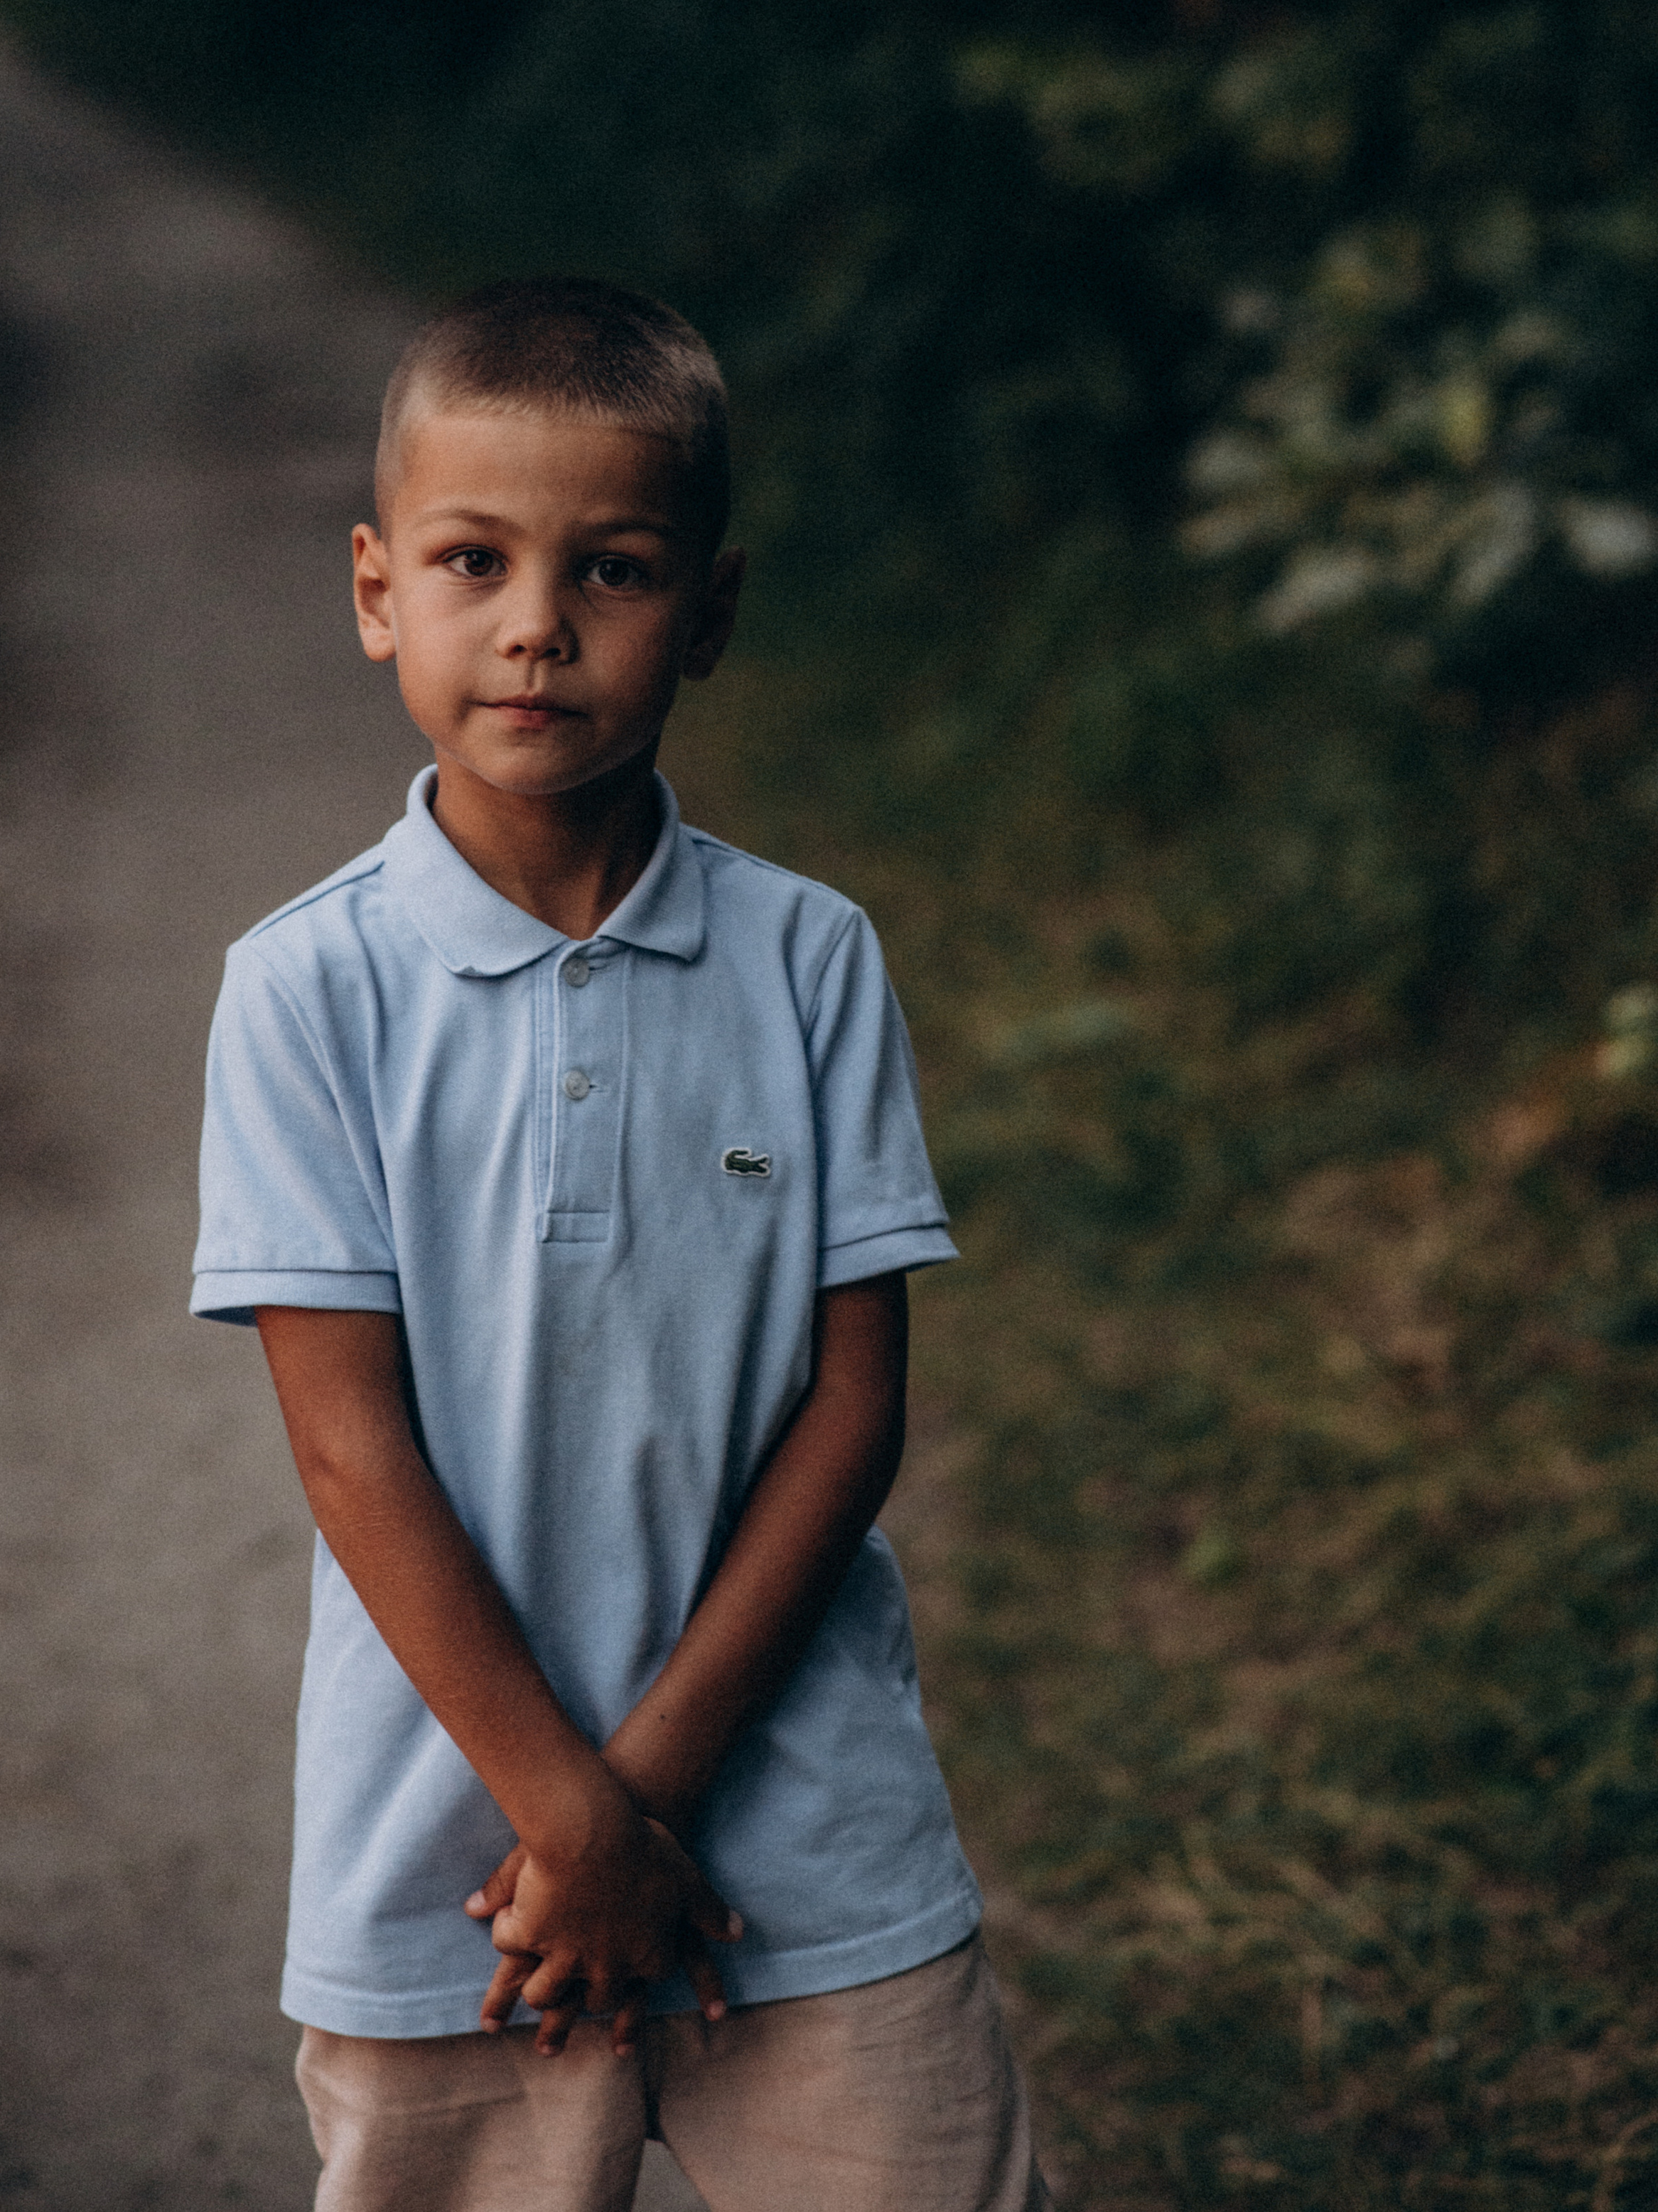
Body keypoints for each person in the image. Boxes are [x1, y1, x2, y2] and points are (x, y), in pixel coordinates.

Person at [191, 277, 1051, 2211]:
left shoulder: (808, 959)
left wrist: (632, 1808)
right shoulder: (307, 990)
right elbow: (349, 1446)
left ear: (710, 613)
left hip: (810, 1850)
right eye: (473, 560)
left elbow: (853, 1408)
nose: (538, 625)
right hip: (455, 1876)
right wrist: (563, 1826)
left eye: (616, 568)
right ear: (376, 592)